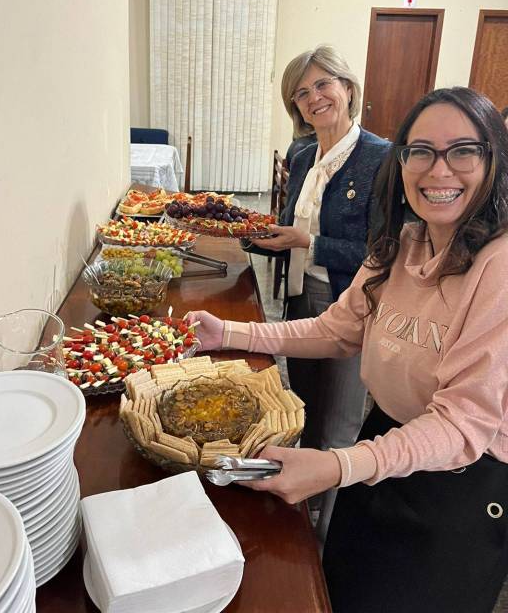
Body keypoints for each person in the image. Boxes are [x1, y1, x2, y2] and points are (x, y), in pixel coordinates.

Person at [188, 87, 508, 613]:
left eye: (463, 151)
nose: (439, 170)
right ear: (401, 161)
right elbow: (335, 330)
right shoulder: (403, 243)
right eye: (421, 150)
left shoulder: (498, 266)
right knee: (336, 589)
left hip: (461, 482)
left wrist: (336, 466)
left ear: (493, 160)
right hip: (383, 439)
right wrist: (228, 333)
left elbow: (460, 426)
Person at [243, 45, 390, 543]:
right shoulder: (304, 154)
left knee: (339, 426)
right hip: (301, 297)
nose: (313, 98)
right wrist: (251, 235)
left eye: (323, 84)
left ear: (347, 88)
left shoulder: (381, 158)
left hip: (353, 307)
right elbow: (288, 229)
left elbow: (383, 251)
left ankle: (327, 538)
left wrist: (309, 241)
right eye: (301, 93)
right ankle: (300, 508)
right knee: (304, 406)